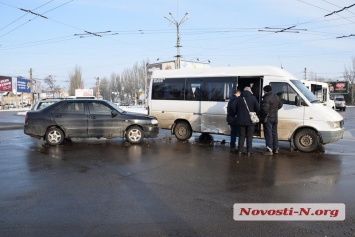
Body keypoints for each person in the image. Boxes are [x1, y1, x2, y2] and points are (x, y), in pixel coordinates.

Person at [235, 87, 260, 156]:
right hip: (250, 120)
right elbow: (258, 109)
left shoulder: (239, 98)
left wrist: (237, 114)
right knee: (249, 136)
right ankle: (249, 151)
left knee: (241, 136)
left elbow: (233, 108)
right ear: (250, 91)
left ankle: (240, 151)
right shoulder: (253, 98)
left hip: (240, 120)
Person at [260, 85, 283, 155]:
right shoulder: (276, 96)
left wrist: (262, 112)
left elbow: (265, 109)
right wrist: (274, 110)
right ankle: (276, 148)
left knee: (268, 133)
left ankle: (269, 149)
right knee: (274, 133)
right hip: (275, 117)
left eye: (264, 91)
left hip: (268, 117)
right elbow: (280, 105)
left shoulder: (266, 98)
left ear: (265, 91)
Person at [226, 88, 241, 152]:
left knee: (233, 132)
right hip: (233, 118)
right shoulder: (235, 99)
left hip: (230, 118)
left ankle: (232, 145)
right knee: (234, 133)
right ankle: (233, 146)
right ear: (238, 93)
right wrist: (236, 114)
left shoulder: (231, 99)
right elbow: (233, 108)